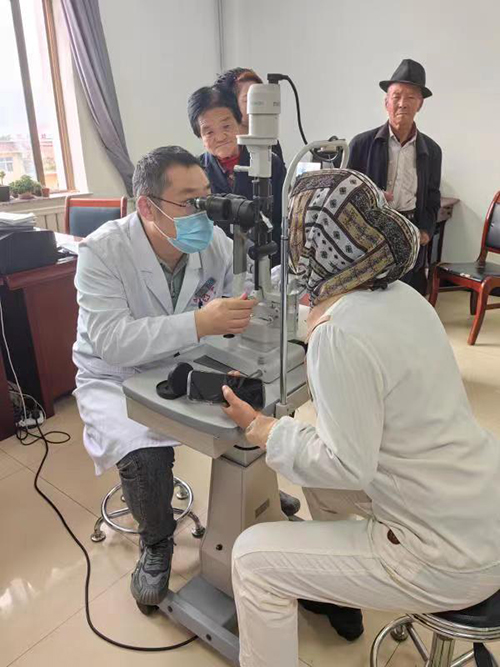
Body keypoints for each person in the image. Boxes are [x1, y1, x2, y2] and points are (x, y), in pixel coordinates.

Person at [222, 169, 500, 667]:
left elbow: (347, 464)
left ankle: (331, 582)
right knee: (319, 486)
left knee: (251, 558)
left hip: (446, 554)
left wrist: (263, 428)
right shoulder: (403, 296)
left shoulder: (338, 333)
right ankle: (336, 592)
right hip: (478, 504)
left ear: (311, 244)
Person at [72, 145, 259, 607]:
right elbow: (113, 341)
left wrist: (248, 309)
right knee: (144, 455)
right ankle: (156, 541)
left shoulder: (213, 242)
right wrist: (199, 322)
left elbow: (239, 296)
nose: (204, 212)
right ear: (146, 206)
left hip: (187, 360)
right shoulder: (102, 252)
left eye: (207, 197)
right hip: (115, 376)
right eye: (190, 201)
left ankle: (258, 499)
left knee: (255, 404)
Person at [347, 59, 442, 294]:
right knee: (368, 296)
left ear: (420, 104)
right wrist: (374, 196)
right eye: (396, 96)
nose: (402, 104)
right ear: (386, 102)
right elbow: (347, 194)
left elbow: (432, 196)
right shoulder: (361, 144)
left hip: (410, 231)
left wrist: (425, 231)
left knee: (403, 296)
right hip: (370, 233)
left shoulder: (432, 151)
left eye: (411, 97)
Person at [187, 84, 286, 265]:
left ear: (238, 122)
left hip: (268, 261)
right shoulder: (195, 172)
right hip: (218, 265)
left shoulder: (269, 162)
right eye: (209, 132)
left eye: (226, 126)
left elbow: (283, 220)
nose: (220, 137)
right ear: (199, 135)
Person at [215, 67, 285, 163]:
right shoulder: (221, 149)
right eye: (251, 98)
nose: (261, 103)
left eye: (261, 96)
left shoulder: (269, 144)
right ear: (230, 104)